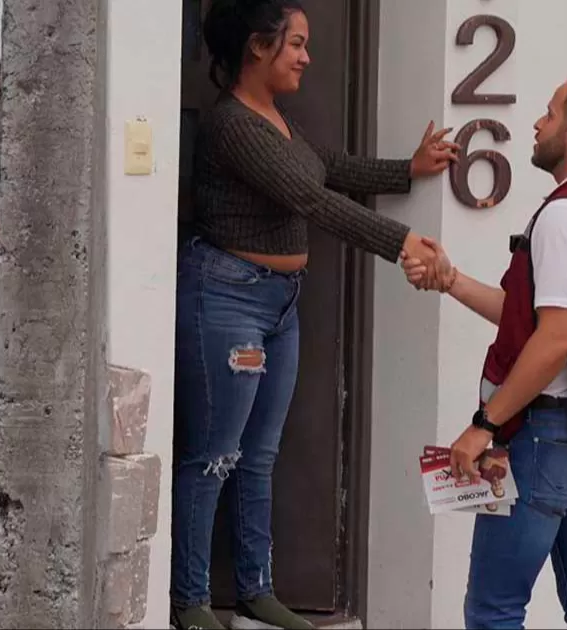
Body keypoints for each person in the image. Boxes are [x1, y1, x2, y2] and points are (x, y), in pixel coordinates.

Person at [170, 1, 458, 628]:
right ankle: (190, 601)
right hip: (227, 300)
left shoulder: (280, 120)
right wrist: (400, 241)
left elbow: (330, 169)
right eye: (295, 44)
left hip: (279, 305)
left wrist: (408, 169)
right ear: (256, 47)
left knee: (260, 455)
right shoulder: (232, 126)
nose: (306, 56)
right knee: (215, 453)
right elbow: (306, 196)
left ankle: (255, 590)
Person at [402, 70, 567, 630]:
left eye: (551, 113)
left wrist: (484, 424)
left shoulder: (565, 215)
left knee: (493, 611)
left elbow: (557, 338)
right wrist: (451, 279)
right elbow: (532, 317)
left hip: (544, 442)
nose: (538, 123)